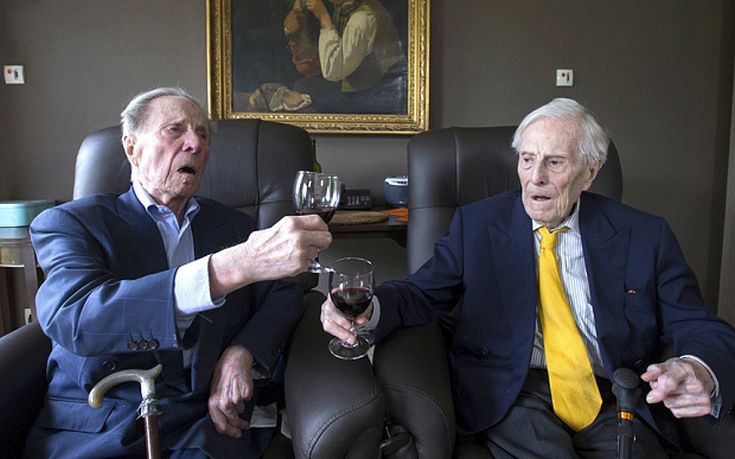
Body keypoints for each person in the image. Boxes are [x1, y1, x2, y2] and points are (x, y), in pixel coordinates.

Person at [320, 98, 735, 456]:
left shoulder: (645, 235)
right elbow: (421, 293)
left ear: (590, 172)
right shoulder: (477, 225)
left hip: (612, 392)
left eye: (554, 162)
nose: (535, 178)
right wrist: (370, 308)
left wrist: (698, 368)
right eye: (527, 159)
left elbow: (697, 323)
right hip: (513, 389)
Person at [24, 87, 332, 457]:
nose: (195, 144)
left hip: (202, 420)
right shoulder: (71, 223)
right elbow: (75, 318)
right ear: (131, 147)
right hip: (101, 422)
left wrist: (243, 352)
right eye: (175, 130)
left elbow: (283, 293)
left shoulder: (234, 227)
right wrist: (231, 267)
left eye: (202, 135)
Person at [293, 0, 406, 113]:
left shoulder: (362, 18)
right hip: (363, 82)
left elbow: (332, 71)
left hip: (369, 94)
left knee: (301, 86)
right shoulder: (349, 7)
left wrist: (324, 17)